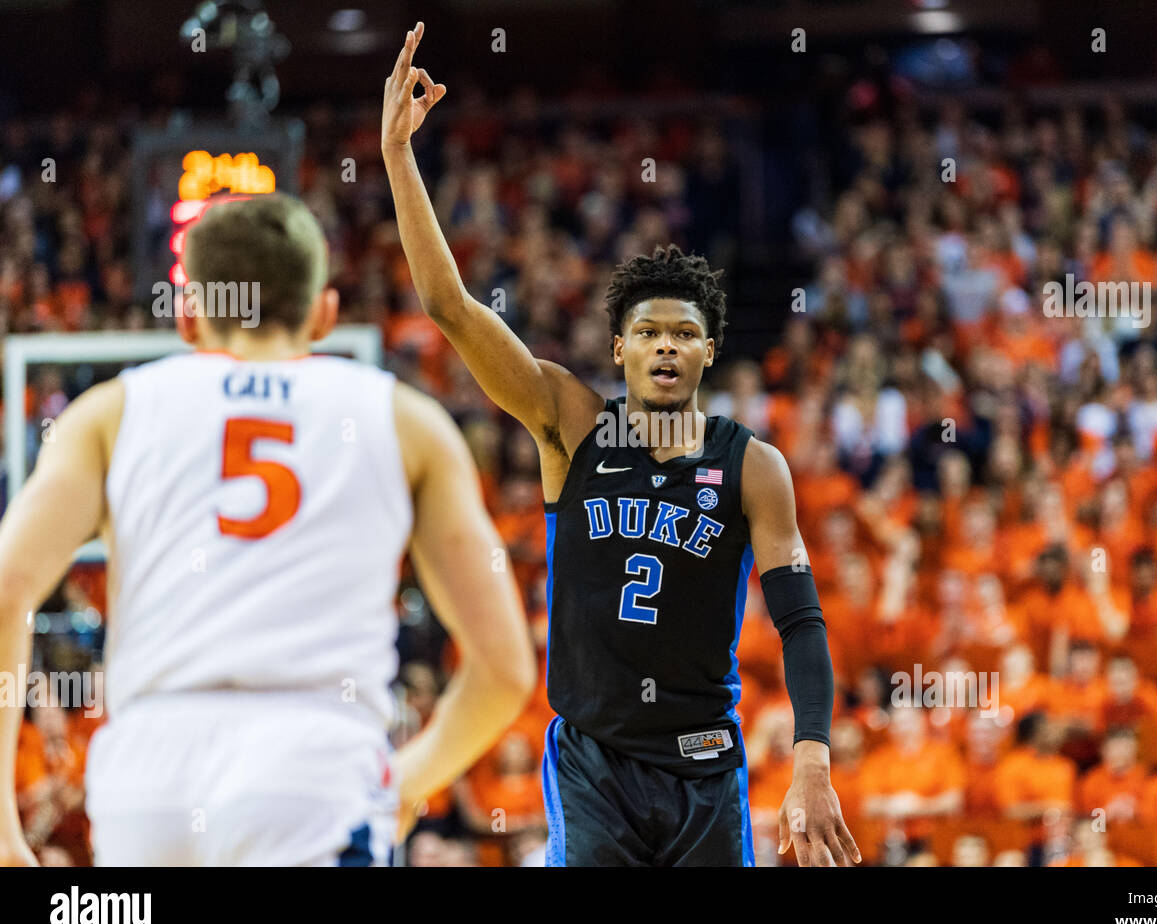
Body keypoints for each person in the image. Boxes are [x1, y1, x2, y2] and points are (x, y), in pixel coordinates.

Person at [380, 22, 857, 866]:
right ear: (620, 351)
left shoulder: (753, 465)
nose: (666, 346)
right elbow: (451, 307)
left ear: (710, 351)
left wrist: (813, 756)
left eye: (684, 334)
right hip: (595, 761)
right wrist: (398, 159)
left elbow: (802, 621)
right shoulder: (572, 423)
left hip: (708, 763)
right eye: (649, 334)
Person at [0, 193, 535, 866]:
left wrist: (1, 828)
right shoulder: (405, 423)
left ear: (188, 315)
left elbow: (7, 592)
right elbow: (506, 670)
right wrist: (406, 781)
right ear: (324, 314)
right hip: (311, 773)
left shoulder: (108, 414)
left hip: (149, 779)